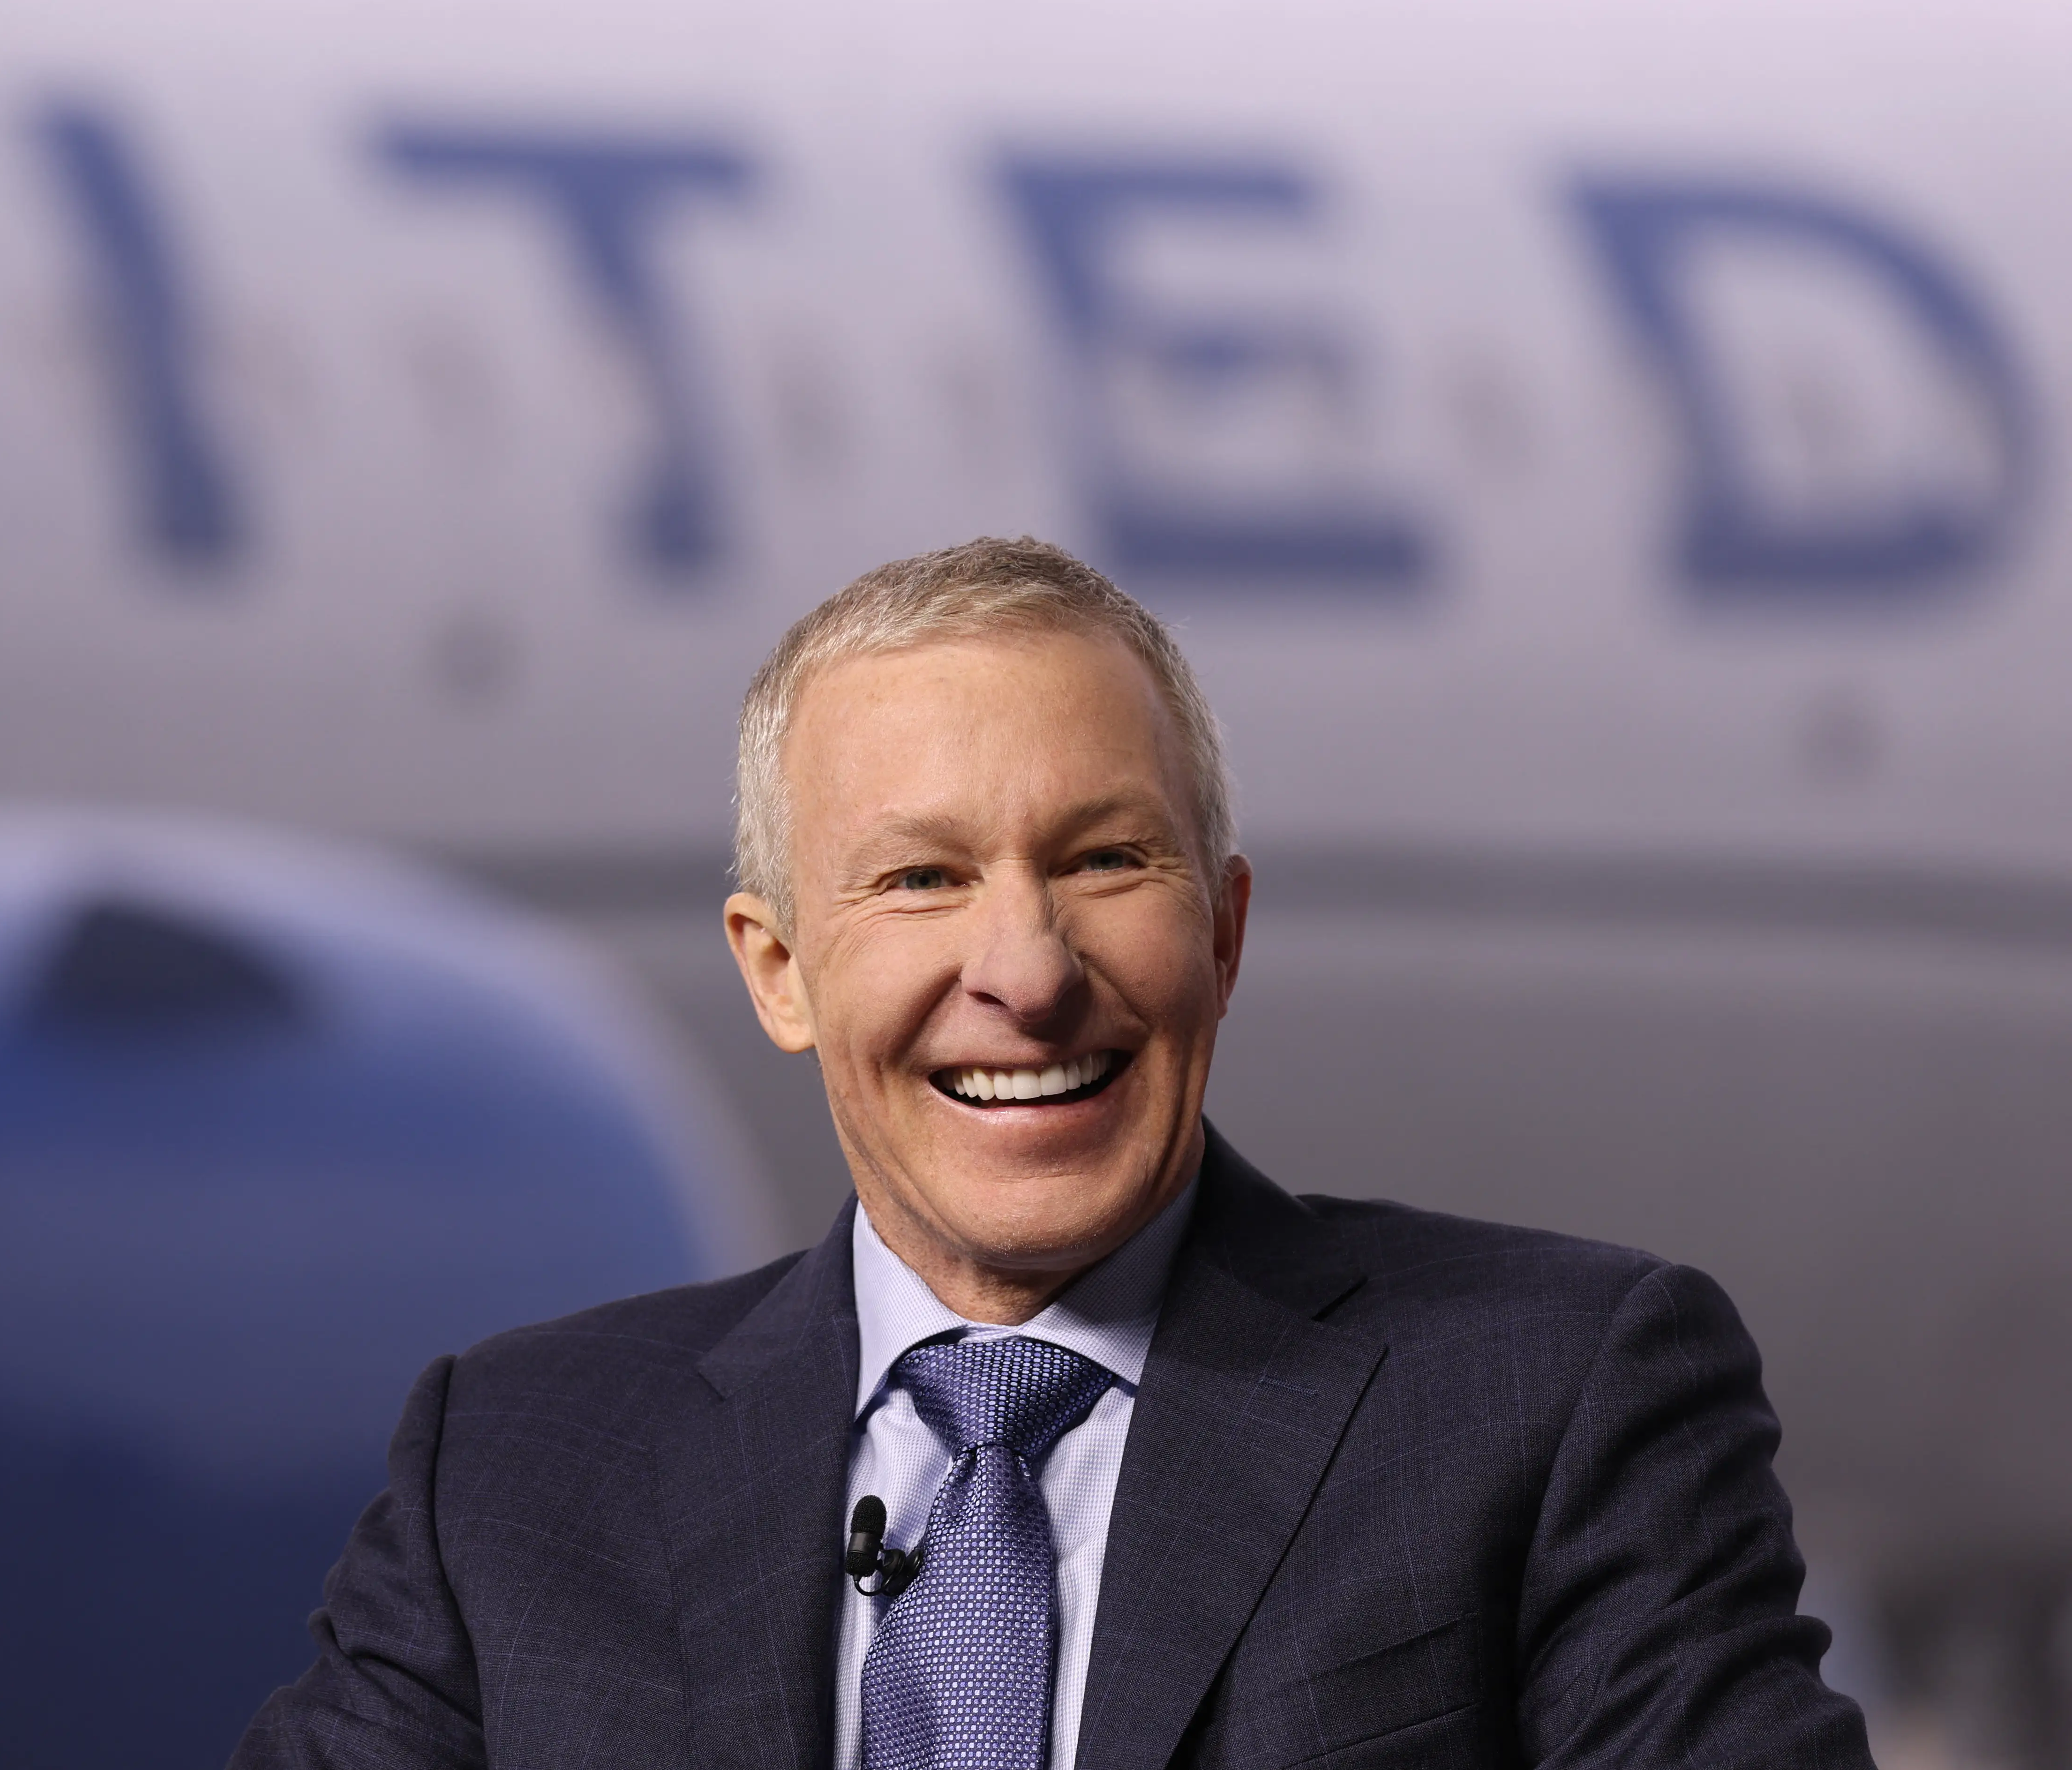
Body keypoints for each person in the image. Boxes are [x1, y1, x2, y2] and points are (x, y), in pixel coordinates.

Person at [230, 537, 1872, 1770]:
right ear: (778, 970)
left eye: (1102, 860)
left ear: (1222, 935)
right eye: (921, 880)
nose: (1024, 974)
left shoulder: (1561, 1395)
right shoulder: (512, 1468)